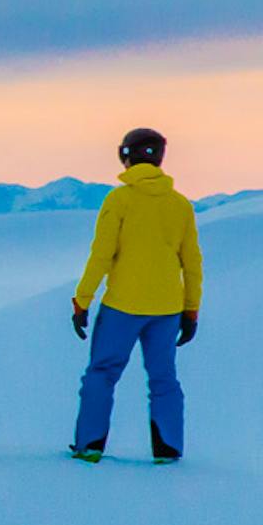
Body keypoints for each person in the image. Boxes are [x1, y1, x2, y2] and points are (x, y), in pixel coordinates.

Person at [70, 126, 203, 463]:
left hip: (122, 306)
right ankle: (168, 449)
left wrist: (82, 300)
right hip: (168, 308)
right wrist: (191, 310)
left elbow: (101, 255)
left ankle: (90, 446)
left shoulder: (120, 200)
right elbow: (192, 263)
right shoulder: (180, 205)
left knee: (102, 374)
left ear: (125, 156)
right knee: (163, 379)